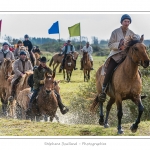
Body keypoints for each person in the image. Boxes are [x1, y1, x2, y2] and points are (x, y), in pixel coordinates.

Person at [98, 14, 135, 102]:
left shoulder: (132, 33)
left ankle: (137, 92)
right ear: (121, 22)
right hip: (116, 57)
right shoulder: (115, 32)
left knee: (137, 71)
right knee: (109, 71)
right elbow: (110, 45)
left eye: (128, 21)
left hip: (126, 58)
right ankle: (103, 91)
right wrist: (119, 45)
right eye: (125, 21)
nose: (127, 23)